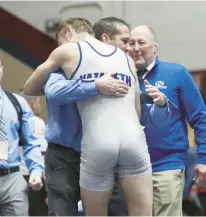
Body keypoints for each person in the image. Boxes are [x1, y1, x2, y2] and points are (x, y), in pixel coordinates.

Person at [24, 17, 170, 216]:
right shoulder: (125, 59)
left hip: (97, 142)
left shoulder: (67, 52)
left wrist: (89, 84)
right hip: (132, 140)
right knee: (141, 212)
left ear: (68, 31)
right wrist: (95, 85)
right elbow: (137, 112)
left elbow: (31, 87)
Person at [127, 25, 206, 216]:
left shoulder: (176, 74)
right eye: (131, 43)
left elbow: (200, 118)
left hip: (166, 165)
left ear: (155, 47)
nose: (136, 47)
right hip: (128, 168)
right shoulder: (122, 77)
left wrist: (203, 158)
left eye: (142, 42)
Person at [0, 58, 44, 216]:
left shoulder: (17, 103)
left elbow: (31, 142)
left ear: (2, 69)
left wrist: (36, 170)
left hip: (13, 179)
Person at [18, 91, 48, 216]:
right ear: (33, 103)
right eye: (38, 102)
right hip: (34, 177)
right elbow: (43, 155)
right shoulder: (36, 122)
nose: (40, 106)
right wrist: (48, 188)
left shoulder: (12, 119)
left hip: (14, 176)